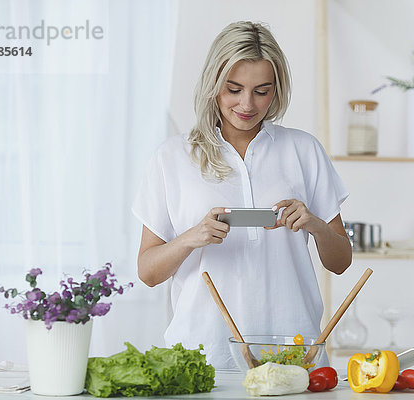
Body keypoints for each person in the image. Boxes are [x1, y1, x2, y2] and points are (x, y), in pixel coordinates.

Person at [132, 21, 351, 370]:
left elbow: (340, 262)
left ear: (276, 90)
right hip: (202, 357)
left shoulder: (303, 149)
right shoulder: (172, 156)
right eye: (233, 89)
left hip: (293, 354)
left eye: (262, 91)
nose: (247, 104)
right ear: (213, 85)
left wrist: (315, 225)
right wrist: (193, 237)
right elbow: (148, 272)